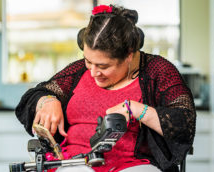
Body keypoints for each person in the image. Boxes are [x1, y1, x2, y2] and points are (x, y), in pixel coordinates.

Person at [15, 4, 196, 172]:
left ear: (128, 56)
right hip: (75, 164)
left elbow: (184, 124)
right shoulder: (78, 71)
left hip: (132, 166)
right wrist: (47, 100)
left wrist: (136, 109)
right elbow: (34, 96)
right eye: (88, 61)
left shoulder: (157, 70)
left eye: (103, 66)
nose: (93, 72)